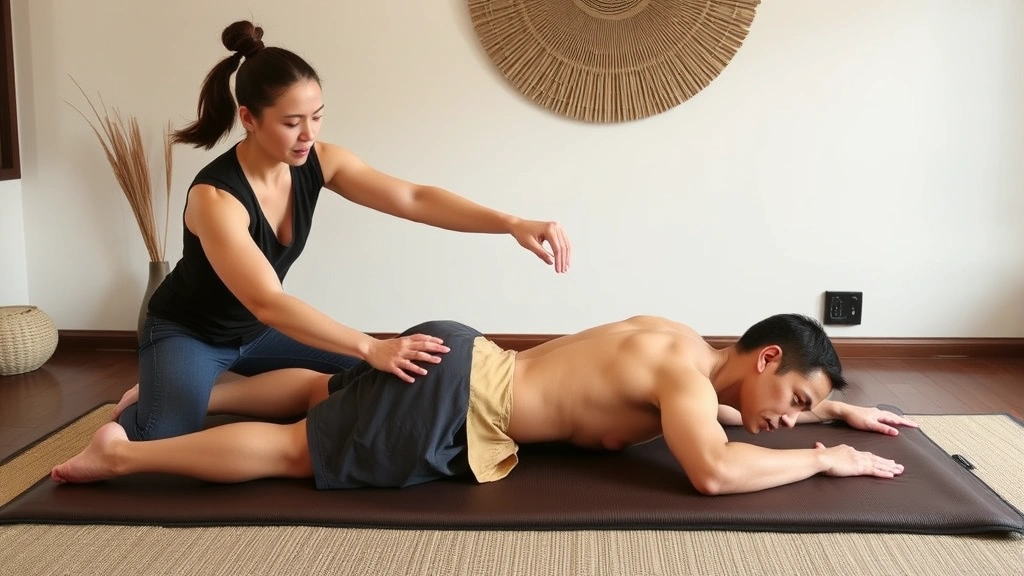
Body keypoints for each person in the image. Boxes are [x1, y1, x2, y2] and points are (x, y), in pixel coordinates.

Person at [118, 20, 571, 442]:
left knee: (378, 379)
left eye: (317, 116)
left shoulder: (319, 161)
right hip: (189, 332)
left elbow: (413, 199)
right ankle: (153, 401)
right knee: (161, 442)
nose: (308, 134)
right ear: (249, 119)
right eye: (292, 123)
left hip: (256, 331)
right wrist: (371, 345)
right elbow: (268, 301)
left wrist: (510, 223)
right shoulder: (215, 199)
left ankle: (214, 396)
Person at [56, 314, 916, 495]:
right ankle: (121, 455)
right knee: (294, 450)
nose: (788, 419)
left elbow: (729, 415)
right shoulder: (688, 387)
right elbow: (716, 472)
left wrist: (835, 414)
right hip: (459, 401)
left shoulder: (680, 343)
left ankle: (191, 394)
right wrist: (822, 458)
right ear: (767, 356)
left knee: (327, 389)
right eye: (796, 398)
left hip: (464, 351)